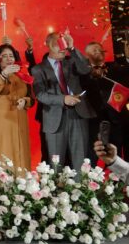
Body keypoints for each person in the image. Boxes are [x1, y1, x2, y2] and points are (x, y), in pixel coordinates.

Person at [31, 32, 95, 171]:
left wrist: (72, 48)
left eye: (64, 45)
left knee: (81, 161)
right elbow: (40, 94)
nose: (62, 48)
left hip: (78, 115)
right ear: (48, 45)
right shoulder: (38, 69)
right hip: (54, 118)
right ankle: (56, 186)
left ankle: (82, 185)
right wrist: (63, 99)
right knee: (56, 164)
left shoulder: (71, 62)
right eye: (57, 44)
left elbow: (86, 69)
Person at [0, 44, 33, 170]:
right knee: (3, 150)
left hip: (19, 120)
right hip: (2, 120)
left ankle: (23, 181)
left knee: (22, 152)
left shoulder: (22, 76)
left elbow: (31, 97)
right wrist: (4, 74)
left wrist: (25, 101)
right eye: (4, 56)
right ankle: (4, 181)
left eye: (11, 56)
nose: (8, 58)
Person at [82, 42, 129, 162]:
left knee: (118, 159)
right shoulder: (82, 73)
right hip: (94, 122)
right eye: (94, 50)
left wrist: (128, 57)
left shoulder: (115, 68)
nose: (98, 51)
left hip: (117, 121)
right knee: (91, 159)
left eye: (99, 49)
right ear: (86, 55)